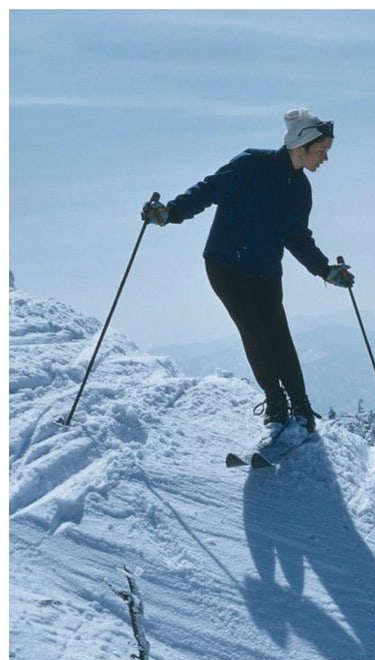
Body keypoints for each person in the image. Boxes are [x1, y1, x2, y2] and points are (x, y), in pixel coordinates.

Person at [141, 107, 354, 441]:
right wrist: (171, 212)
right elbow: (209, 190)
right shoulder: (252, 163)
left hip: (266, 270)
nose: (325, 158)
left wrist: (325, 270)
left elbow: (297, 236)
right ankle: (276, 406)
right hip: (226, 265)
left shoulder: (301, 189)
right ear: (301, 146)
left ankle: (300, 406)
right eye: (321, 150)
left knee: (278, 333)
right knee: (254, 330)